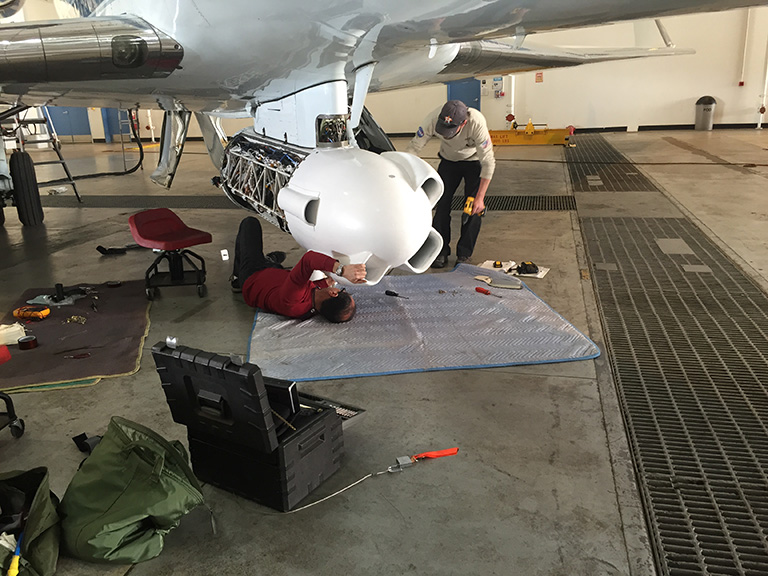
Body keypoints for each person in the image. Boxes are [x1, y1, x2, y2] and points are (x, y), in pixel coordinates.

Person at [406, 99, 496, 268]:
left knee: (473, 209)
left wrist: (480, 198)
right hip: (448, 161)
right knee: (441, 205)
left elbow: (488, 162)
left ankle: (464, 254)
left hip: (474, 162)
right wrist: (405, 173)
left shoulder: (477, 122)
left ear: (464, 123)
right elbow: (413, 148)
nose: (447, 133)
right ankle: (441, 251)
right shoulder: (432, 118)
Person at [230, 217, 367, 322]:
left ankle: (237, 277)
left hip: (253, 275)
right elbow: (311, 291)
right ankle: (271, 260)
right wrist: (326, 282)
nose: (340, 288)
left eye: (342, 291)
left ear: (333, 293)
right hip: (277, 276)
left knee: (250, 224)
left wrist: (342, 270)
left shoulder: (293, 297)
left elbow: (308, 260)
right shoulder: (312, 307)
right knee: (279, 257)